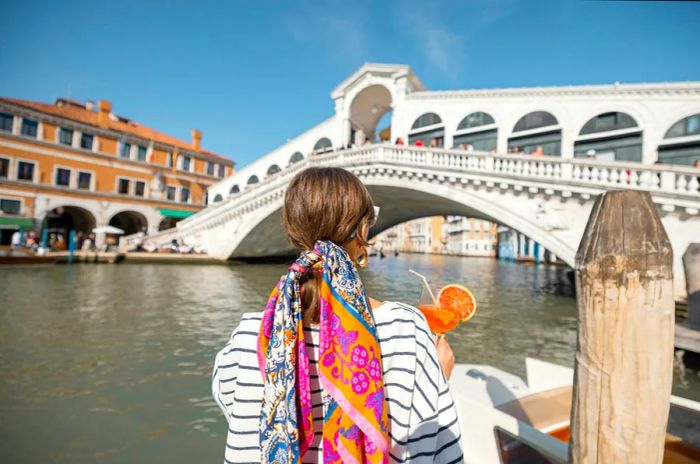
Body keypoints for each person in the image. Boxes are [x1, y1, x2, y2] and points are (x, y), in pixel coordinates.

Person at [212, 167, 463, 464]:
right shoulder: (407, 328)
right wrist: (438, 379)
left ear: (291, 230)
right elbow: (432, 447)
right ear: (362, 232)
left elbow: (236, 409)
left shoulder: (250, 334)